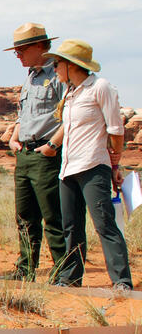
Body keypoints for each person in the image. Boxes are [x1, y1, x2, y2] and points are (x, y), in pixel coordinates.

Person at [44, 39, 132, 290]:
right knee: (71, 226)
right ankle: (70, 279)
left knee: (104, 223)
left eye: (57, 63)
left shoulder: (100, 87)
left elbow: (116, 131)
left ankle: (121, 281)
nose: (55, 68)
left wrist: (115, 166)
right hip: (68, 169)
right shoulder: (71, 92)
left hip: (93, 166)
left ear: (71, 65)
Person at [1, 22, 66, 282]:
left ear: (40, 46)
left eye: (21, 50)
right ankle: (25, 270)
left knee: (52, 216)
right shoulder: (31, 77)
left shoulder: (59, 74)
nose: (18, 56)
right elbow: (24, 115)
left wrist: (52, 146)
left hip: (46, 154)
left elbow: (69, 115)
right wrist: (14, 139)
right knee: (25, 216)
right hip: (25, 154)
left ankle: (64, 272)